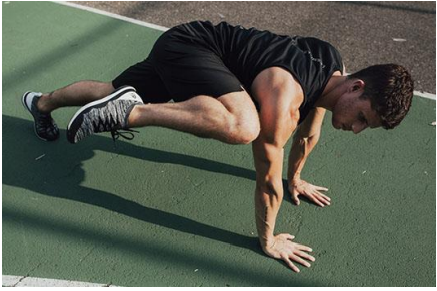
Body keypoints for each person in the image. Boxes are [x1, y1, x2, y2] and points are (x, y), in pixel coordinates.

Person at [22, 20, 414, 273]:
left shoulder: (330, 63)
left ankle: (41, 103)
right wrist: (269, 238)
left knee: (109, 92)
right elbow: (266, 181)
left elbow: (310, 133)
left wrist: (296, 179)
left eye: (367, 127)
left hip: (194, 48)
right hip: (192, 49)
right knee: (244, 124)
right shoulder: (285, 100)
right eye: (363, 117)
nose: (358, 129)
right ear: (356, 87)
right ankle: (130, 113)